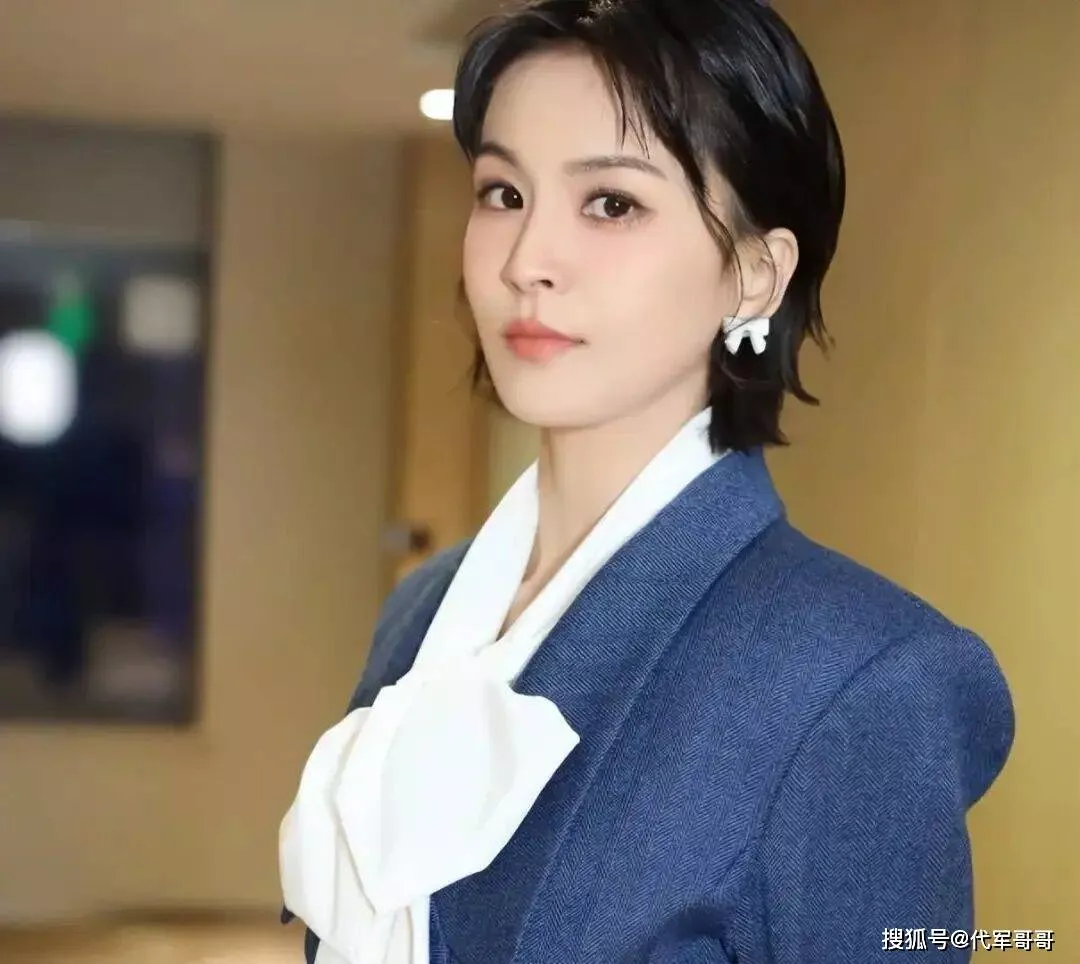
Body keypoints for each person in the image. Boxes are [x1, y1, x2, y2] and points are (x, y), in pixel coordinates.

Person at [279, 0, 1015, 961]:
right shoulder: (424, 612)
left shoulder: (860, 678)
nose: (526, 261)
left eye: (611, 204)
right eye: (503, 192)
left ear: (754, 274)